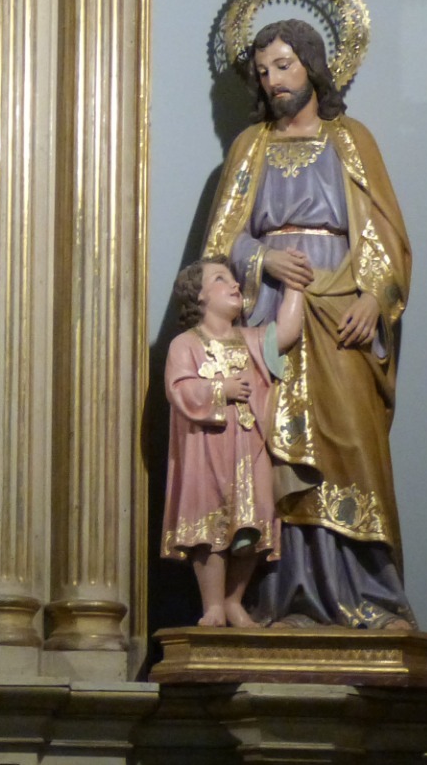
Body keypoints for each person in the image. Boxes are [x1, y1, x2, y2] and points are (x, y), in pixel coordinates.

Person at [201, 18, 415, 629]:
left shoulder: (351, 140)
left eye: (284, 65)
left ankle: (370, 597)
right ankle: (277, 599)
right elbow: (220, 243)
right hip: (270, 309)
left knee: (351, 445)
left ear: (314, 66)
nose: (274, 81)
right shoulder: (252, 147)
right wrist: (262, 258)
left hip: (341, 310)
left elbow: (387, 234)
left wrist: (373, 297)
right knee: (267, 450)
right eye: (263, 72)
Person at [162, 259, 303, 628]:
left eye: (234, 279)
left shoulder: (251, 340)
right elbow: (179, 389)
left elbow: (287, 332)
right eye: (221, 279)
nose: (235, 285)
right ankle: (212, 605)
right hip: (206, 451)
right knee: (210, 523)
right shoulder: (186, 344)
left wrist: (296, 284)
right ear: (199, 296)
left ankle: (234, 600)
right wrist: (219, 389)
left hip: (250, 447)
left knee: (256, 516)